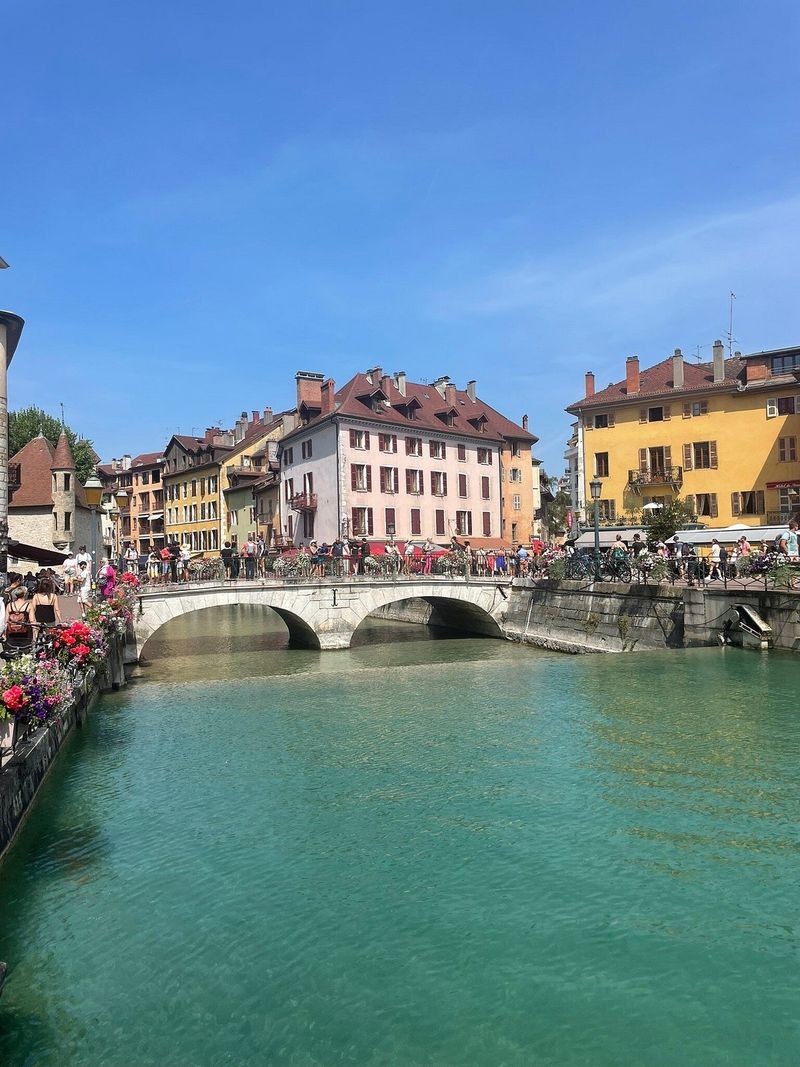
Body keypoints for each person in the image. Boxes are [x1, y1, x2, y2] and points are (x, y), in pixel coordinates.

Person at [2, 587, 34, 654]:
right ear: (25, 594)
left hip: (11, 633)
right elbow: (32, 621)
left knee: (12, 653)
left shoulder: (9, 605)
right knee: (25, 654)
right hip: (25, 634)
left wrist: (3, 633)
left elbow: (6, 621)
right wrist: (35, 634)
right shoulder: (29, 605)